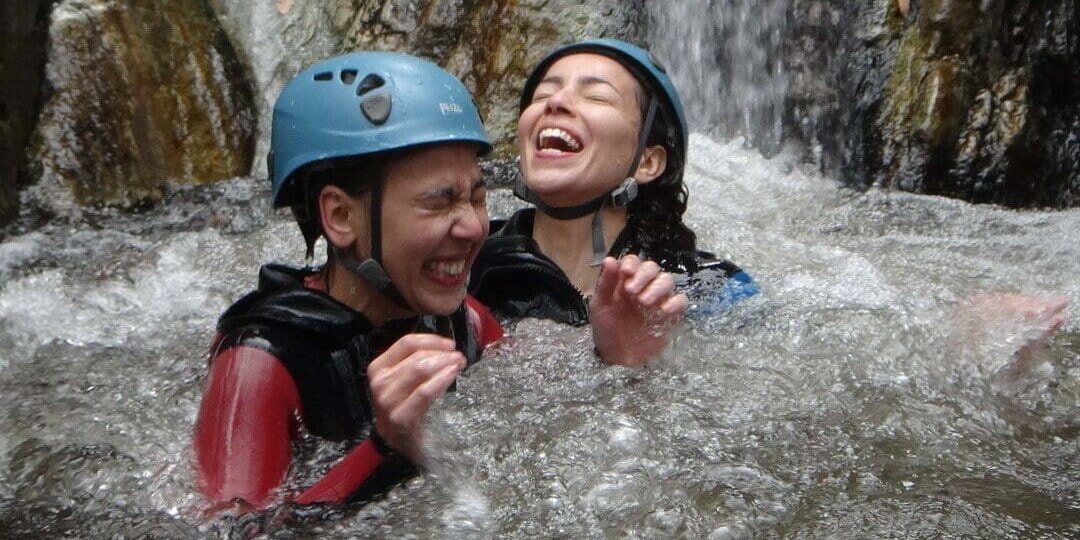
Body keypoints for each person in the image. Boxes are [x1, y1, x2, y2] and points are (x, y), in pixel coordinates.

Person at [193, 52, 505, 511]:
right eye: (439, 203)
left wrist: (610, 355)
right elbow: (233, 530)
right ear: (340, 216)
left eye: (477, 198)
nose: (475, 227)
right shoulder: (259, 365)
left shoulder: (465, 322)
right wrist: (386, 447)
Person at [469, 39, 758, 365]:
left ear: (647, 162)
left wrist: (635, 366)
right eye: (543, 95)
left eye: (596, 96)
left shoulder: (712, 289)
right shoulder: (464, 270)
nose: (556, 102)